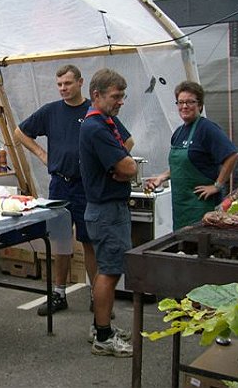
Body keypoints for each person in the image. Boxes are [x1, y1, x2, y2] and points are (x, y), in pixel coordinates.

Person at [14, 64, 133, 316]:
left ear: (80, 83)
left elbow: (127, 140)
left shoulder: (96, 111)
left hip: (85, 187)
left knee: (89, 241)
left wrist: (114, 164)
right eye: (59, 84)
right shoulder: (51, 111)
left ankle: (96, 296)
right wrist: (42, 154)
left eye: (67, 83)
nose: (63, 88)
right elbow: (19, 132)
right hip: (60, 184)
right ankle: (59, 293)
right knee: (60, 240)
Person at [79, 68, 137, 357]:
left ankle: (100, 327)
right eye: (116, 96)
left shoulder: (105, 122)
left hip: (107, 209)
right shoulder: (96, 128)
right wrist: (126, 167)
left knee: (107, 269)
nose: (121, 101)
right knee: (109, 272)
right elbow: (128, 166)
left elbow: (126, 160)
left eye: (122, 96)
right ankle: (103, 337)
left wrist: (124, 166)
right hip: (106, 211)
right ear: (96, 95)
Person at [145, 81, 238, 230]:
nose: (184, 106)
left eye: (190, 102)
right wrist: (161, 177)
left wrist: (217, 185)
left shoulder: (207, 129)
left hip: (201, 206)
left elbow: (232, 155)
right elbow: (180, 165)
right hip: (181, 207)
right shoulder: (178, 133)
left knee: (201, 240)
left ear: (200, 105)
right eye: (181, 102)